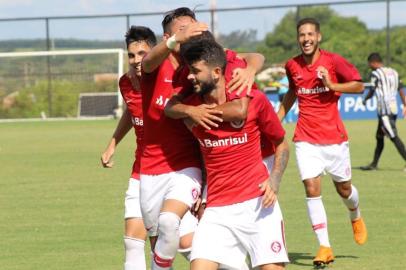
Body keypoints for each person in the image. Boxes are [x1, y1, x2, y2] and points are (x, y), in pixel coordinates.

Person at [139, 7, 264, 270]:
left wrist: (251, 68)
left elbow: (251, 57)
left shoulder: (209, 61)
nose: (193, 32)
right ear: (168, 37)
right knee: (179, 243)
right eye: (184, 29)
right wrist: (190, 111)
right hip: (152, 170)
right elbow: (147, 65)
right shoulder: (165, 68)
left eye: (194, 26)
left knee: (170, 223)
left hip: (195, 167)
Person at [180, 39, 289, 270]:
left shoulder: (254, 101)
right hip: (218, 210)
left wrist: (275, 180)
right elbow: (166, 108)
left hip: (259, 206)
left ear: (217, 72)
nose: (190, 77)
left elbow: (281, 143)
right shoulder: (190, 110)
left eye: (196, 71)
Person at [100, 26, 197, 270]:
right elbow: (132, 114)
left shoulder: (170, 78)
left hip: (175, 169)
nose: (136, 60)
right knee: (133, 241)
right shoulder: (126, 83)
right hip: (142, 171)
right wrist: (113, 143)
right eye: (131, 55)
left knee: (186, 244)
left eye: (142, 53)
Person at [277, 18, 368, 267]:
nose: (306, 39)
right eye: (301, 35)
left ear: (319, 37)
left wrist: (331, 84)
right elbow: (292, 92)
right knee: (311, 188)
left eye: (310, 34)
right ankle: (324, 246)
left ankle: (355, 215)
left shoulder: (333, 61)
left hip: (334, 139)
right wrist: (276, 120)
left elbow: (359, 85)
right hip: (306, 139)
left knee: (344, 190)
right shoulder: (292, 65)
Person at [360, 52, 406, 171]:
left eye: (370, 64)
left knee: (393, 136)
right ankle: (374, 164)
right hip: (393, 108)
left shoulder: (376, 73)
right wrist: (405, 104)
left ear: (373, 63)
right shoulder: (394, 72)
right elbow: (401, 89)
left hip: (385, 110)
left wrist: (365, 99)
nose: (369, 66)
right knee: (379, 137)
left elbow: (372, 89)